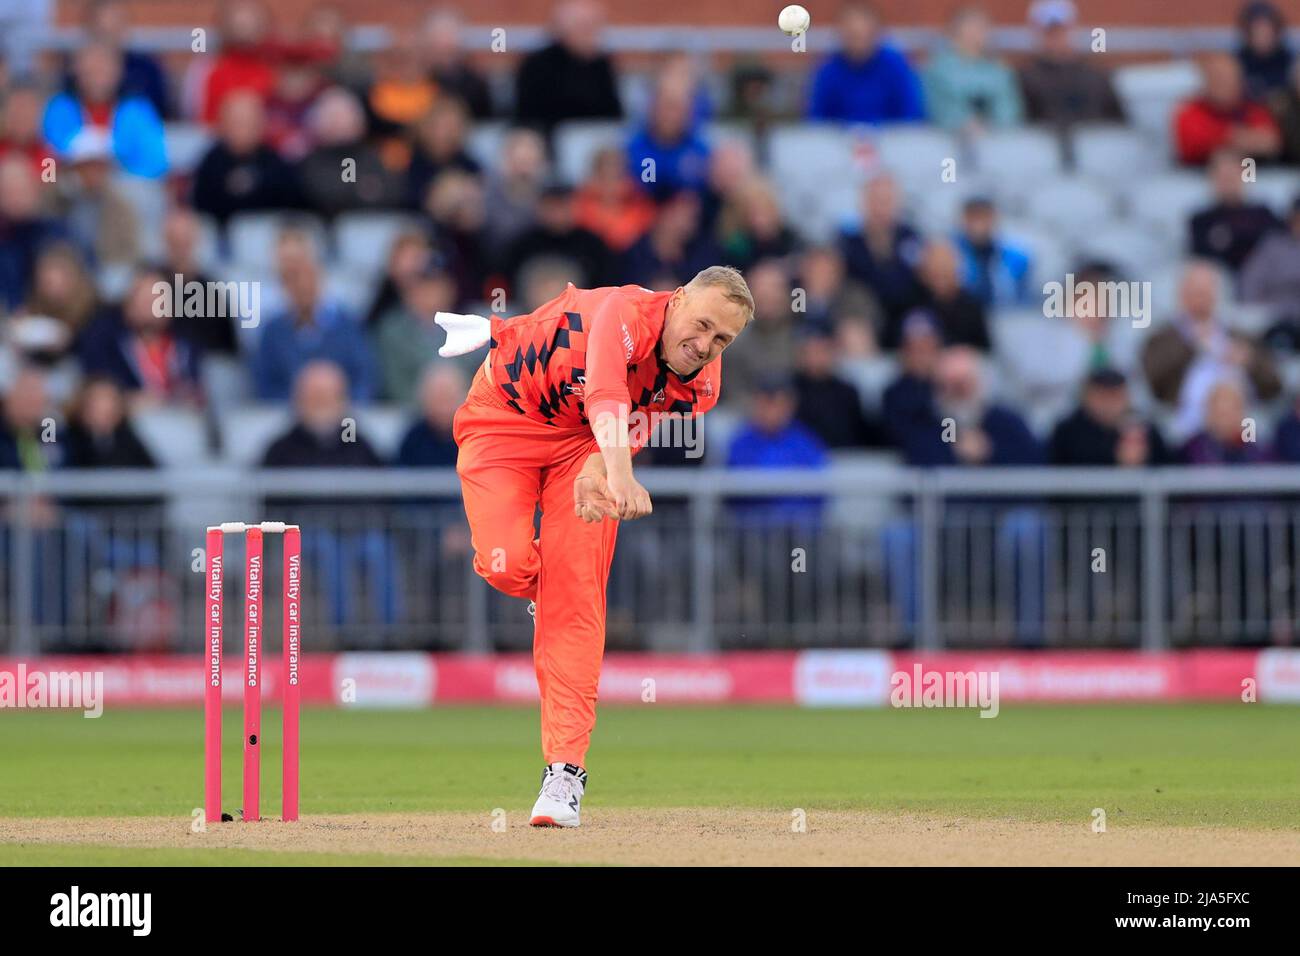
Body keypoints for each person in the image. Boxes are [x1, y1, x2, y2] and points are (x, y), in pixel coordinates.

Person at [440, 265, 753, 827]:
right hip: (503, 416)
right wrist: (622, 474)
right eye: (701, 324)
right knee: (505, 564)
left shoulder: (702, 385)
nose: (703, 346)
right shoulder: (626, 315)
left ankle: (564, 775)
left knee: (577, 602)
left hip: (585, 443)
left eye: (722, 339)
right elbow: (607, 390)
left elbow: (631, 419)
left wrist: (597, 469)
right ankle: (550, 590)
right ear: (677, 299)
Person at [252, 227, 376, 401]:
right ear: (285, 287)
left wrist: (343, 406)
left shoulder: (347, 324)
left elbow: (364, 376)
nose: (303, 288)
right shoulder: (272, 330)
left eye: (309, 281)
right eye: (294, 282)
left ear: (320, 281)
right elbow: (265, 385)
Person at [513, 0, 623, 137]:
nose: (590, 34)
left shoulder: (602, 65)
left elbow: (614, 114)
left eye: (594, 27)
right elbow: (529, 117)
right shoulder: (537, 66)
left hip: (597, 141)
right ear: (563, 28)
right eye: (584, 27)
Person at [807, 2, 924, 124]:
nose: (858, 43)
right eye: (852, 35)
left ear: (876, 32)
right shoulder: (827, 69)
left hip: (892, 138)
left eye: (863, 35)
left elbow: (911, 115)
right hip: (839, 139)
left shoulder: (896, 67)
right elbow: (816, 119)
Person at [1017, 0, 1124, 128]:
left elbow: (1117, 123)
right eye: (1049, 31)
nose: (1057, 36)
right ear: (1036, 32)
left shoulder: (1097, 75)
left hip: (1095, 144)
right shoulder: (1025, 78)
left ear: (1074, 28)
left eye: (1062, 30)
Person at [923, 6, 1024, 133]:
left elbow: (1009, 107)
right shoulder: (938, 69)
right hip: (950, 142)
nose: (978, 34)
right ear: (956, 31)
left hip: (996, 142)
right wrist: (961, 123)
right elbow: (937, 105)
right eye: (972, 27)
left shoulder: (998, 70)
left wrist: (996, 126)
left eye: (982, 28)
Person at [1174, 52, 1281, 166]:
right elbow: (1192, 144)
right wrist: (1233, 137)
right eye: (1219, 80)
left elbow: (1271, 142)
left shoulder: (1252, 109)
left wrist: (1228, 140)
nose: (1226, 85)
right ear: (1207, 82)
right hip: (1193, 178)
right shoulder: (1190, 111)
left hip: (1248, 173)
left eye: (1231, 79)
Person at [1189, 149, 1283, 273]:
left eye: (1232, 174)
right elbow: (1203, 261)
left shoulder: (1263, 214)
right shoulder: (1201, 221)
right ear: (1211, 178)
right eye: (1222, 175)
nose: (1228, 181)